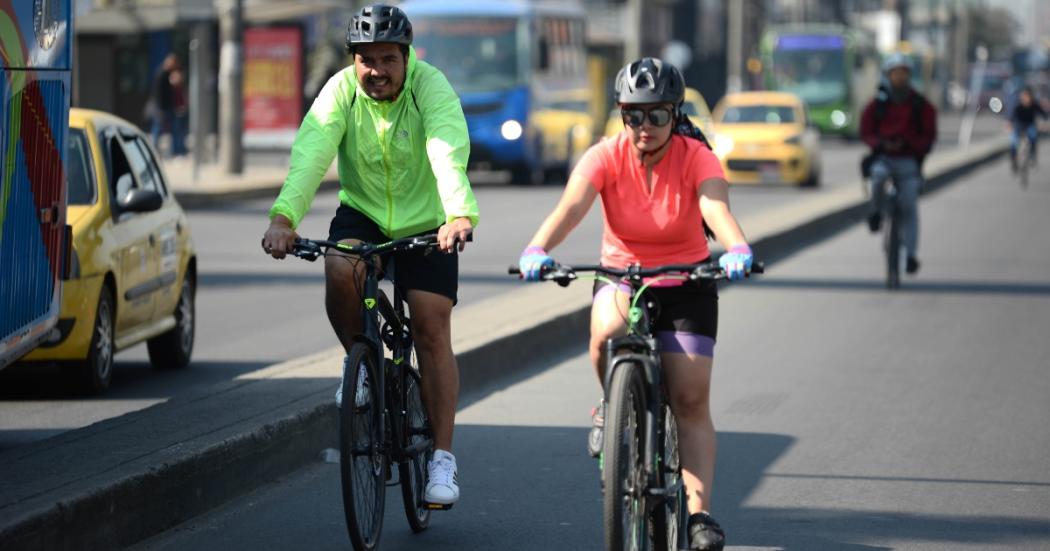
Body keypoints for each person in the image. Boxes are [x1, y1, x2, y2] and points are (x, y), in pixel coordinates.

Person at [518, 57, 753, 551]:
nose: (644, 127)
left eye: (656, 115)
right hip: (623, 274)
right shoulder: (605, 154)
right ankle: (611, 405)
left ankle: (698, 515)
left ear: (674, 113)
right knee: (606, 332)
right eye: (633, 115)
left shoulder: (697, 157)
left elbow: (715, 207)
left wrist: (736, 249)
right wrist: (538, 249)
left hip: (688, 280)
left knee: (690, 399)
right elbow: (571, 207)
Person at [260, 4, 478, 507]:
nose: (376, 71)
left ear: (407, 59)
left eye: (387, 59)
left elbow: (448, 149)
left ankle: (442, 459)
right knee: (340, 265)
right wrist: (283, 219)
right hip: (363, 214)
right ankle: (359, 360)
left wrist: (458, 213)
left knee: (429, 326)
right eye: (366, 60)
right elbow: (311, 153)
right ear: (352, 61)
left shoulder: (431, 87)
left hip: (430, 221)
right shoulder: (340, 91)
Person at [859, 52, 936, 275]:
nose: (899, 77)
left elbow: (929, 136)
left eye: (904, 73)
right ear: (888, 75)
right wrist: (882, 144)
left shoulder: (920, 105)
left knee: (910, 205)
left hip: (909, 162)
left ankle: (910, 256)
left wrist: (910, 145)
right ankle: (875, 213)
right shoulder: (877, 105)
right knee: (877, 177)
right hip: (884, 158)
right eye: (895, 73)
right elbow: (866, 131)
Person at [1008, 85, 1048, 172]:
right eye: (1024, 96)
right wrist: (1009, 124)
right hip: (1018, 126)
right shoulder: (1017, 104)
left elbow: (1043, 114)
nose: (1026, 98)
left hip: (1030, 125)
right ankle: (1013, 161)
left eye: (1028, 96)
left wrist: (1045, 123)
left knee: (1033, 137)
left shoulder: (1034, 104)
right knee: (1013, 142)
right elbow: (1011, 116)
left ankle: (1032, 158)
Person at [148, 53, 178, 157]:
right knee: (157, 128)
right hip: (161, 107)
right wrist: (160, 108)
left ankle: (155, 149)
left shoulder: (165, 74)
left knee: (161, 129)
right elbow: (159, 93)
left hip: (163, 107)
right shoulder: (162, 74)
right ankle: (153, 150)